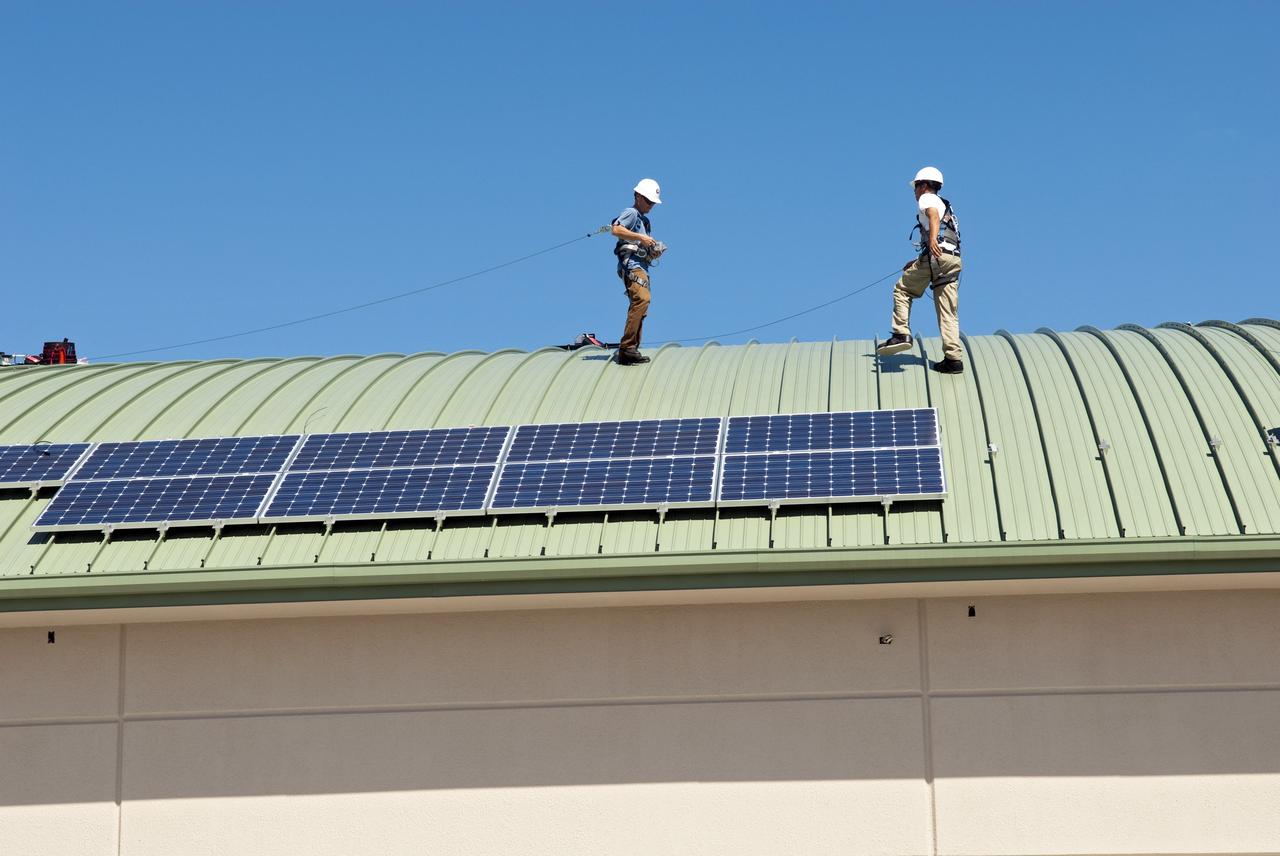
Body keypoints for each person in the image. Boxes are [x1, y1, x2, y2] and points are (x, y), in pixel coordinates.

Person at [876, 166, 964, 374]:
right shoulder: (946, 205)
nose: (915, 192)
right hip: (952, 260)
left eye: (916, 187)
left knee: (902, 289)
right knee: (947, 313)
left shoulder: (928, 199)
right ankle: (954, 360)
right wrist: (917, 261)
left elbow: (932, 217)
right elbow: (943, 235)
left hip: (937, 257)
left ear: (924, 186)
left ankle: (901, 334)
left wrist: (932, 240)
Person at [611, 178, 664, 365]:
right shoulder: (631, 213)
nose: (651, 205)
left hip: (642, 266)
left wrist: (653, 251)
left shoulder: (645, 221)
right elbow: (616, 229)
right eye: (648, 201)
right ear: (638, 196)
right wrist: (641, 237)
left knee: (641, 305)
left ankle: (631, 347)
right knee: (642, 299)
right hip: (632, 266)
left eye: (652, 203)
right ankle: (627, 348)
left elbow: (639, 244)